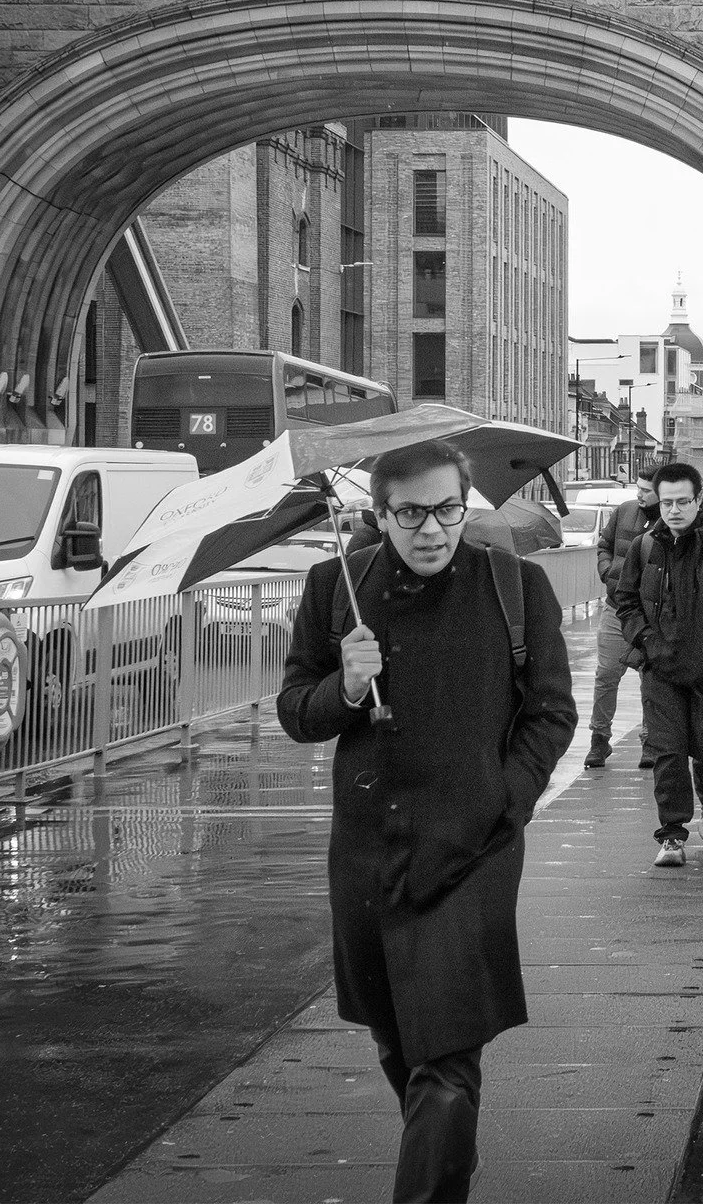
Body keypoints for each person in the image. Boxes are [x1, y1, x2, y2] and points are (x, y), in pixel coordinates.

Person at [278, 439, 577, 1204]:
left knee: (445, 1059)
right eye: (410, 513)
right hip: (369, 856)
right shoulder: (334, 589)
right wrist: (345, 688)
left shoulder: (516, 587)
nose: (433, 530)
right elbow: (296, 712)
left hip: (471, 852)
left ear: (465, 504)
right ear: (379, 514)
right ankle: (447, 1158)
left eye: (447, 508)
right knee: (398, 1042)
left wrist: (504, 801)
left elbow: (550, 712)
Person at [615, 462, 703, 868]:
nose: (674, 510)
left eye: (683, 501)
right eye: (667, 502)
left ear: (699, 501)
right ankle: (673, 835)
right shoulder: (643, 548)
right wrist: (645, 640)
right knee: (667, 752)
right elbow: (625, 602)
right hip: (660, 669)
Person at [587, 468, 661, 769]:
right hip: (617, 608)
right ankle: (599, 740)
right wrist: (608, 573)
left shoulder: (668, 520)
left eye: (646, 490)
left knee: (651, 680)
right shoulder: (624, 511)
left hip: (651, 616)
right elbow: (604, 546)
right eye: (638, 487)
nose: (639, 494)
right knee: (606, 675)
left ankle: (650, 742)